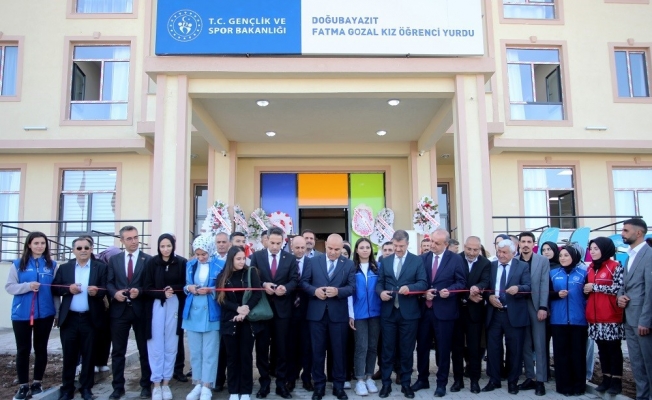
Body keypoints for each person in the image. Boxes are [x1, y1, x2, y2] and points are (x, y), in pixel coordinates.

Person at [300, 234, 355, 400]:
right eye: (330, 248)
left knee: (339, 352)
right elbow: (303, 283)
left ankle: (339, 386)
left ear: (342, 248)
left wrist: (338, 291)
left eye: (337, 249)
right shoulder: (313, 262)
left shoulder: (349, 264)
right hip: (316, 315)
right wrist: (314, 291)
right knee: (317, 352)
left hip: (338, 315)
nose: (333, 252)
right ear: (325, 245)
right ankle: (319, 386)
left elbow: (352, 287)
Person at [51, 237, 107, 400]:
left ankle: (86, 389)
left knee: (89, 355)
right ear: (73, 250)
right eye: (79, 248)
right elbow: (55, 288)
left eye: (86, 248)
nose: (83, 250)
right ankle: (67, 389)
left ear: (91, 249)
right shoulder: (65, 268)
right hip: (70, 319)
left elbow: (106, 287)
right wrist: (68, 289)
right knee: (69, 355)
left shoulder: (100, 267)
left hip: (90, 318)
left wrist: (98, 292)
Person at [413, 229, 466, 397]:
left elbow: (461, 282)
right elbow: (418, 281)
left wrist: (449, 291)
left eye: (437, 243)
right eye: (431, 241)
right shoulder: (423, 259)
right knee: (422, 347)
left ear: (446, 244)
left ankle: (441, 383)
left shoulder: (456, 259)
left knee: (443, 349)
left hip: (445, 311)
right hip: (425, 311)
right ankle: (422, 379)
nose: (432, 245)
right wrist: (423, 293)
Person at [5, 232, 58, 400]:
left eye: (43, 243)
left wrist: (57, 312)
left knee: (41, 348)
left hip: (45, 314)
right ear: (29, 244)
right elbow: (9, 287)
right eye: (36, 243)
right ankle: (23, 386)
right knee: (23, 350)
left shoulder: (52, 265)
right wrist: (27, 286)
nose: (40, 246)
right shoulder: (17, 264)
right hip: (22, 314)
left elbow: (55, 291)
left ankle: (37, 383)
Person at [376, 230, 428, 399]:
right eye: (395, 245)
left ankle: (406, 383)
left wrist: (410, 288)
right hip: (389, 312)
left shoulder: (417, 260)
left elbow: (423, 283)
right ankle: (386, 384)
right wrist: (381, 292)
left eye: (401, 246)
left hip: (409, 313)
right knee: (387, 350)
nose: (398, 249)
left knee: (406, 350)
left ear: (408, 244)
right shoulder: (385, 260)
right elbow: (379, 283)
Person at [250, 227, 299, 399]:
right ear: (266, 240)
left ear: (283, 242)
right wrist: (263, 285)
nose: (275, 247)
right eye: (272, 243)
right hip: (262, 310)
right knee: (262, 348)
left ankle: (281, 384)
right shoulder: (257, 257)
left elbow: (294, 280)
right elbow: (251, 278)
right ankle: (264, 384)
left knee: (281, 349)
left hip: (282, 311)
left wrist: (285, 288)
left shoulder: (290, 258)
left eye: (279, 243)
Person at [107, 226, 153, 399]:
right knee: (118, 351)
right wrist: (114, 293)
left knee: (144, 350)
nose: (134, 241)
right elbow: (109, 282)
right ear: (122, 241)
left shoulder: (147, 260)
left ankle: (146, 385)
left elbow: (150, 285)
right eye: (129, 238)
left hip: (140, 311)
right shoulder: (114, 260)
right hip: (119, 312)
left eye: (135, 237)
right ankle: (118, 387)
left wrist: (139, 291)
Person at [482, 239, 531, 395]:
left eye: (504, 252)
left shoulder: (522, 266)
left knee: (514, 349)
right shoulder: (491, 265)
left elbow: (529, 286)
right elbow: (485, 286)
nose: (501, 255)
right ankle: (494, 380)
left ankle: (512, 381)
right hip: (495, 314)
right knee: (493, 348)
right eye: (499, 252)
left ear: (513, 253)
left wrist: (518, 288)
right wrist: (489, 296)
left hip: (514, 314)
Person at [144, 234, 188, 400]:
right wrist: (161, 294)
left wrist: (173, 289)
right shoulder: (152, 263)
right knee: (156, 345)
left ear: (173, 246)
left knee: (171, 343)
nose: (166, 249)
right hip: (156, 306)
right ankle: (156, 383)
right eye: (162, 246)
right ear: (158, 247)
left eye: (168, 246)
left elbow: (184, 285)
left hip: (174, 305)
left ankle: (166, 383)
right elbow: (146, 288)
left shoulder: (181, 262)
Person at [218, 246, 263, 400]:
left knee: (246, 356)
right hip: (229, 321)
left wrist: (245, 309)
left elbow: (257, 294)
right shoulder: (222, 276)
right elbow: (221, 300)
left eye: (243, 258)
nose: (242, 261)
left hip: (247, 321)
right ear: (231, 259)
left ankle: (245, 390)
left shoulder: (250, 272)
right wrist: (237, 309)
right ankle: (233, 390)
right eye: (238, 259)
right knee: (232, 357)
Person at [183, 234, 224, 400]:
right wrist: (189, 288)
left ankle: (207, 385)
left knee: (210, 351)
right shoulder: (190, 264)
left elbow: (223, 287)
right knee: (195, 351)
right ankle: (197, 383)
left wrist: (210, 290)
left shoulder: (220, 264)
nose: (200, 257)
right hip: (193, 311)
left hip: (211, 311)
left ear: (210, 250)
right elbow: (186, 285)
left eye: (203, 254)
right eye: (197, 254)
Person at [584, 237, 624, 395]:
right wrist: (587, 289)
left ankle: (616, 381)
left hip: (611, 316)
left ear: (605, 249)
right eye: (591, 249)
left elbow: (619, 288)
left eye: (596, 249)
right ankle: (606, 378)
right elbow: (588, 289)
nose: (593, 252)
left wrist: (595, 287)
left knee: (613, 349)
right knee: (601, 349)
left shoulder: (615, 266)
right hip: (594, 317)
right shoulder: (590, 268)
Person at [617, 218, 652, 400]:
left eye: (625, 230)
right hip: (629, 317)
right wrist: (620, 296)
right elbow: (625, 284)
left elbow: (650, 290)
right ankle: (642, 396)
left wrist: (646, 320)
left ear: (638, 233)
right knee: (637, 363)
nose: (622, 233)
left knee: (648, 362)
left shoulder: (649, 255)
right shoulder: (630, 255)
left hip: (642, 321)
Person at [451, 236, 490, 394]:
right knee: (457, 349)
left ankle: (475, 381)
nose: (472, 253)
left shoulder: (485, 263)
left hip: (475, 312)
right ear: (464, 246)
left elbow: (486, 281)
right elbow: (453, 282)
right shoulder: (455, 259)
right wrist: (468, 295)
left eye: (475, 250)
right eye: (469, 249)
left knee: (475, 349)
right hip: (456, 311)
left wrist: (478, 287)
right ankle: (458, 381)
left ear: (480, 249)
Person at [549, 246, 588, 396]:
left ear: (574, 257)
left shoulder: (583, 273)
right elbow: (546, 294)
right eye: (561, 255)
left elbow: (588, 295)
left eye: (566, 255)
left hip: (579, 321)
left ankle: (579, 387)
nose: (563, 258)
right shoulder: (553, 274)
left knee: (578, 355)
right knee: (561, 355)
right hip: (558, 320)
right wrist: (557, 294)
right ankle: (563, 387)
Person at [516, 232, 550, 396]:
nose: (526, 244)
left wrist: (543, 307)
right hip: (519, 306)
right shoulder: (514, 261)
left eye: (529, 241)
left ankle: (541, 380)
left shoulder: (542, 261)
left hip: (536, 305)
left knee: (539, 343)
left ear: (533, 244)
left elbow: (544, 284)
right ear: (519, 244)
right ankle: (530, 377)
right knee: (525, 344)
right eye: (523, 241)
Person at [348, 238, 381, 396]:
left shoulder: (377, 267)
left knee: (373, 346)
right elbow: (349, 293)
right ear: (356, 250)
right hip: (359, 314)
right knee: (362, 346)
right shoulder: (352, 268)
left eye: (368, 247)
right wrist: (351, 314)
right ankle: (360, 380)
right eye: (362, 247)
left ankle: (369, 377)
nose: (365, 250)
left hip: (376, 313)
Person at [286, 236, 314, 392]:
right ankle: (291, 378)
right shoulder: (287, 262)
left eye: (303, 247)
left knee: (307, 347)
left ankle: (307, 378)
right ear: (292, 247)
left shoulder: (312, 263)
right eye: (297, 247)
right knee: (290, 347)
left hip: (307, 311)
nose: (300, 250)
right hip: (289, 311)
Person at [95, 246, 122, 374]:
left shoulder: (116, 267)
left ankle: (102, 362)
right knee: (95, 334)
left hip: (110, 306)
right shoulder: (98, 265)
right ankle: (92, 362)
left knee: (107, 334)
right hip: (98, 304)